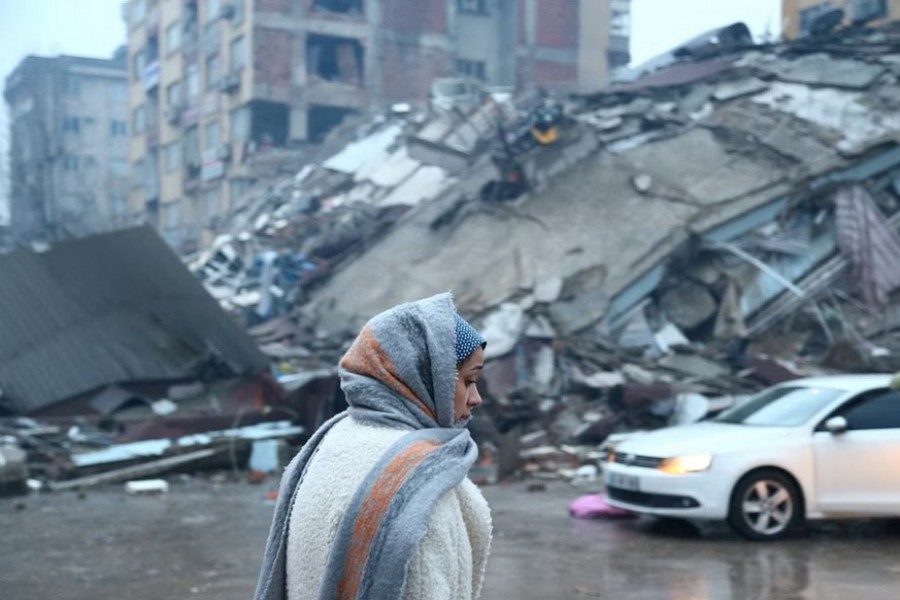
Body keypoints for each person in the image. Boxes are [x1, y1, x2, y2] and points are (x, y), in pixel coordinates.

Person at [254, 292, 492, 600]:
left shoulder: (330, 440)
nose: (476, 399)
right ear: (431, 379)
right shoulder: (417, 483)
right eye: (467, 381)